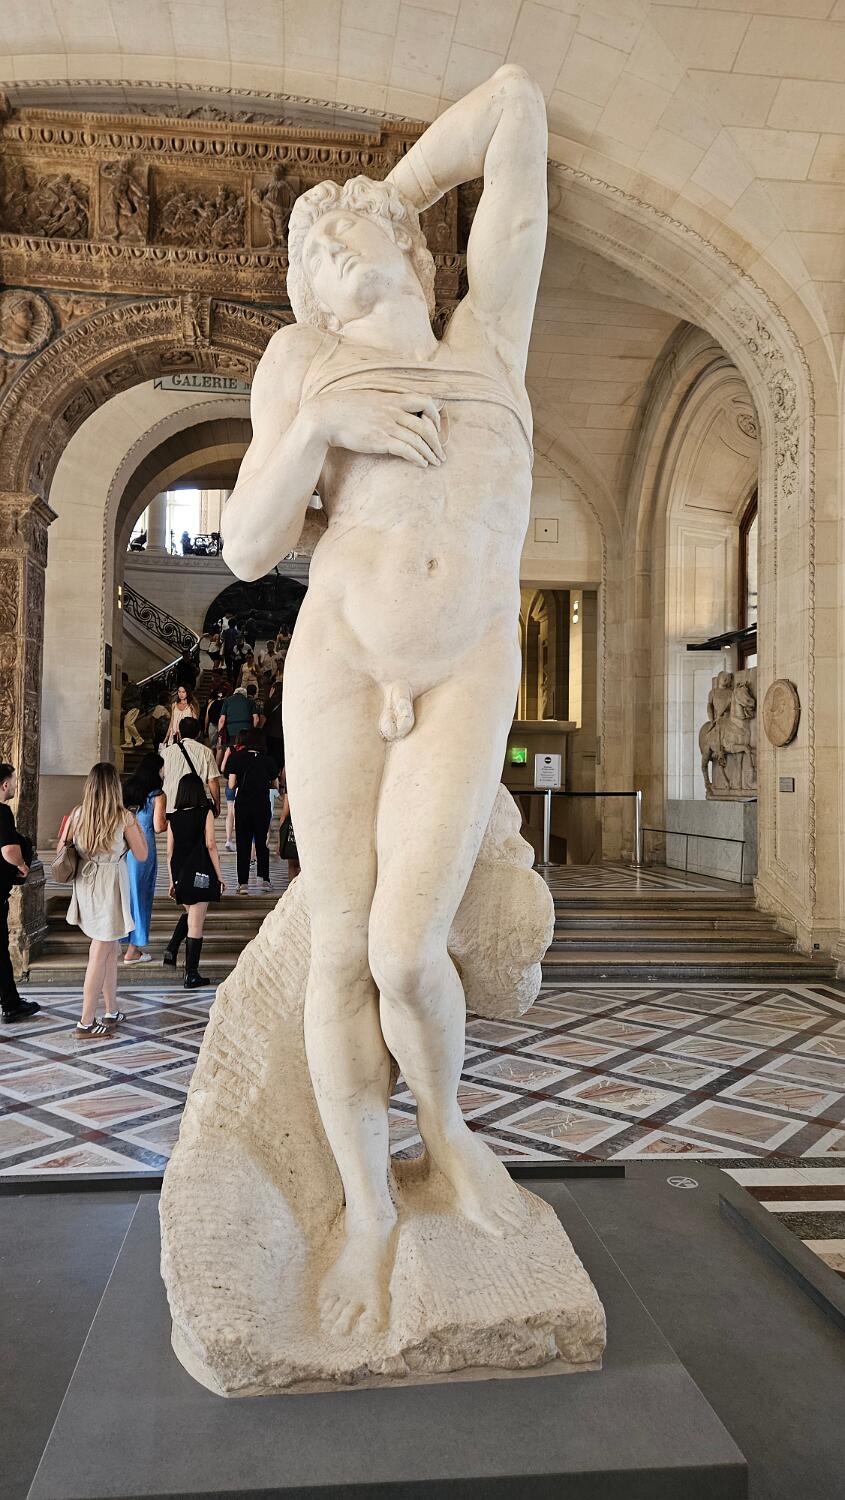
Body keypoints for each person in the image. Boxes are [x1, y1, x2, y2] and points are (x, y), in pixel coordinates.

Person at [222, 65, 545, 1331]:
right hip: (343, 663)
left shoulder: (490, 339)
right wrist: (318, 426)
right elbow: (249, 543)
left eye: (347, 236)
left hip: (464, 665)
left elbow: (513, 105)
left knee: (409, 951)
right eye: (312, 250)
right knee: (343, 947)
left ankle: (446, 1130)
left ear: (412, 250)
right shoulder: (303, 358)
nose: (331, 250)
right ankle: (364, 1214)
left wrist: (380, 196)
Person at [58, 762, 148, 1036]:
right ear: (114, 788)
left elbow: (62, 847)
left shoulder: (78, 813)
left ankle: (111, 1009)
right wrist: (136, 827)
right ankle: (85, 1021)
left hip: (86, 882)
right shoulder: (123, 817)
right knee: (100, 949)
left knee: (110, 948)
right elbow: (142, 854)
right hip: (109, 886)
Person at [167, 772, 225, 987]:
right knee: (196, 924)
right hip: (200, 873)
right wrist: (219, 876)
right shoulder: (205, 813)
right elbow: (211, 844)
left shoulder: (173, 817)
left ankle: (172, 948)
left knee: (191, 914)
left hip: (180, 874)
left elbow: (169, 853)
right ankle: (191, 974)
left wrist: (172, 880)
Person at [0, 764, 39, 1023]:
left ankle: (11, 1001)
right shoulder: (2, 811)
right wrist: (22, 866)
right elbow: (9, 850)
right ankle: (11, 1004)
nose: (16, 784)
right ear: (4, 784)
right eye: (14, 781)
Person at [121, 753, 167, 966]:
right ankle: (133, 950)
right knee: (142, 895)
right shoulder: (158, 795)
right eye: (162, 769)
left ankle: (120, 941)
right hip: (143, 847)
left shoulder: (128, 789)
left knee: (126, 895)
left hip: (124, 847)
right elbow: (158, 826)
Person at [226, 729, 278, 893]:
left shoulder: (236, 758)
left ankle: (243, 883)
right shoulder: (268, 761)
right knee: (261, 842)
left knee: (243, 843)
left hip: (243, 805)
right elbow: (275, 784)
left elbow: (231, 785)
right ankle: (265, 879)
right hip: (262, 805)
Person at [162, 718, 221, 818]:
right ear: (198, 733)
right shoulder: (206, 752)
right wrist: (217, 804)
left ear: (179, 733)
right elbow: (212, 781)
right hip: (196, 805)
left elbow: (160, 779)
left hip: (170, 805)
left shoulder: (165, 753)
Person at [277, 772, 300, 884]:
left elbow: (285, 811)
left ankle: (293, 888)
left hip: (294, 825)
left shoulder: (292, 779)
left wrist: (280, 840)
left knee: (293, 864)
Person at [264, 675, 284, 774]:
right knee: (279, 756)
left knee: (270, 754)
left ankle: (270, 774)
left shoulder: (269, 702)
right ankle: (279, 775)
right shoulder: (286, 702)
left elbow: (264, 717)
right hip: (281, 734)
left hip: (269, 733)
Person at [121, 675, 143, 749]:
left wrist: (126, 700)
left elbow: (136, 697)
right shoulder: (129, 687)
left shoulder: (132, 687)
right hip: (130, 707)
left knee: (129, 723)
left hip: (133, 707)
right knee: (126, 724)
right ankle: (128, 742)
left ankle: (138, 739)